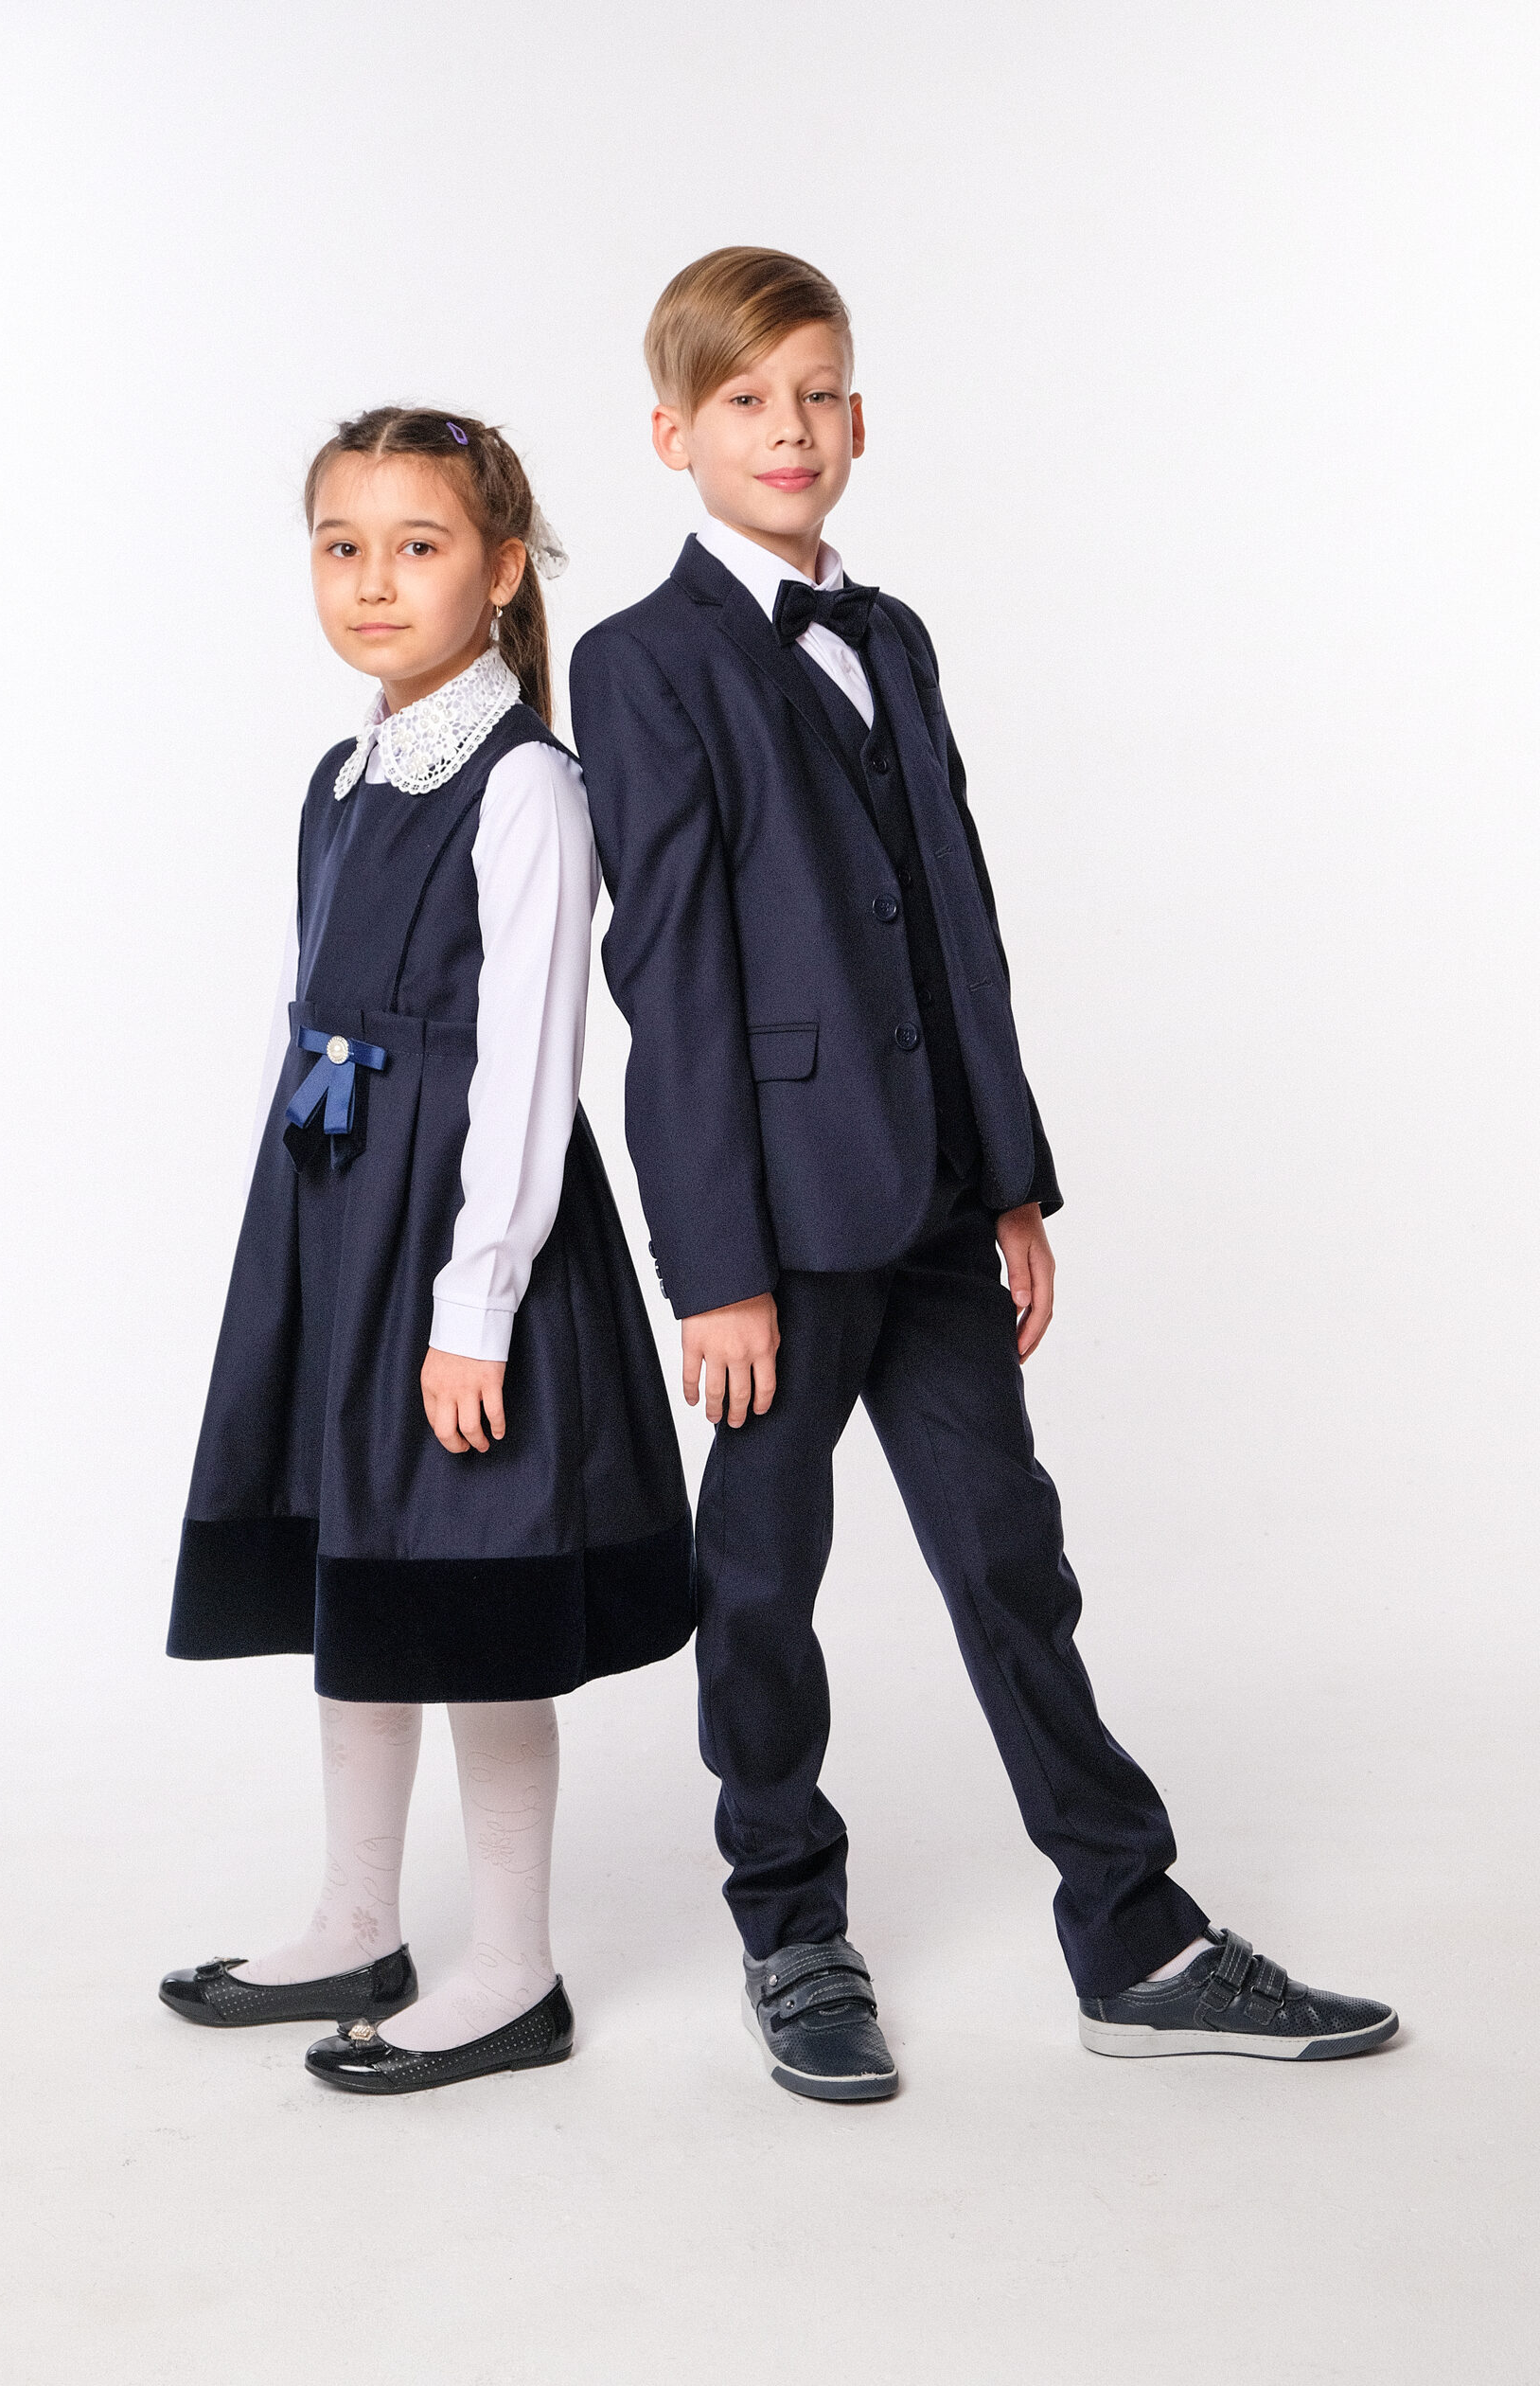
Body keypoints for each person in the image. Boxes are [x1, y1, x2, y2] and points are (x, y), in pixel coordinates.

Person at [569, 248, 1397, 2102]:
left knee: (1012, 1565)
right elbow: (669, 985)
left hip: (938, 1201)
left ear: (859, 418)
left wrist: (1011, 1179)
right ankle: (791, 1929)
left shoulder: (897, 637)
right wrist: (713, 1270)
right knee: (761, 1586)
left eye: (818, 393)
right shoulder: (644, 663)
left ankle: (1137, 1936)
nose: (790, 428)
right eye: (746, 401)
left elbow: (953, 918)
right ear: (674, 433)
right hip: (777, 1232)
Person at [161, 406, 693, 2097]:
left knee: (470, 1586)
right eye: (343, 547)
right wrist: (290, 1240)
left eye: (418, 546)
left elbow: (531, 1062)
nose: (374, 582)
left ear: (502, 569)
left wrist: (479, 1301)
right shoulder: (339, 780)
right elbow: (308, 1009)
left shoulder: (525, 783)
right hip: (337, 1225)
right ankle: (356, 1921)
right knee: (363, 1567)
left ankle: (515, 1968)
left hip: (461, 1235)